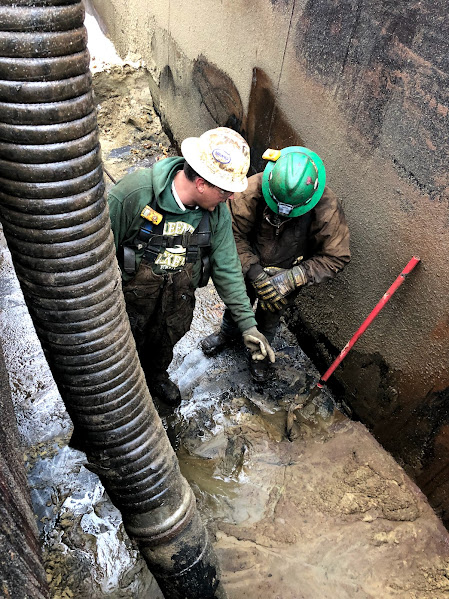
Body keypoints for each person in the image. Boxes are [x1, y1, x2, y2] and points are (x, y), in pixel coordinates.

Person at [107, 127, 275, 407]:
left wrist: (248, 325)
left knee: (163, 342)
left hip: (177, 299)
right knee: (122, 351)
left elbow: (227, 267)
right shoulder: (133, 195)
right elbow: (93, 256)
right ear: (201, 183)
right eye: (226, 190)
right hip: (129, 300)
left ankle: (156, 376)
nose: (231, 197)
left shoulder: (217, 214)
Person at [200, 146, 350, 382]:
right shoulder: (250, 190)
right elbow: (231, 235)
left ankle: (259, 355)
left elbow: (336, 256)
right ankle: (227, 334)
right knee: (238, 302)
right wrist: (255, 272)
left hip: (289, 269)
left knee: (271, 313)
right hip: (247, 263)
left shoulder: (327, 208)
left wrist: (293, 278)